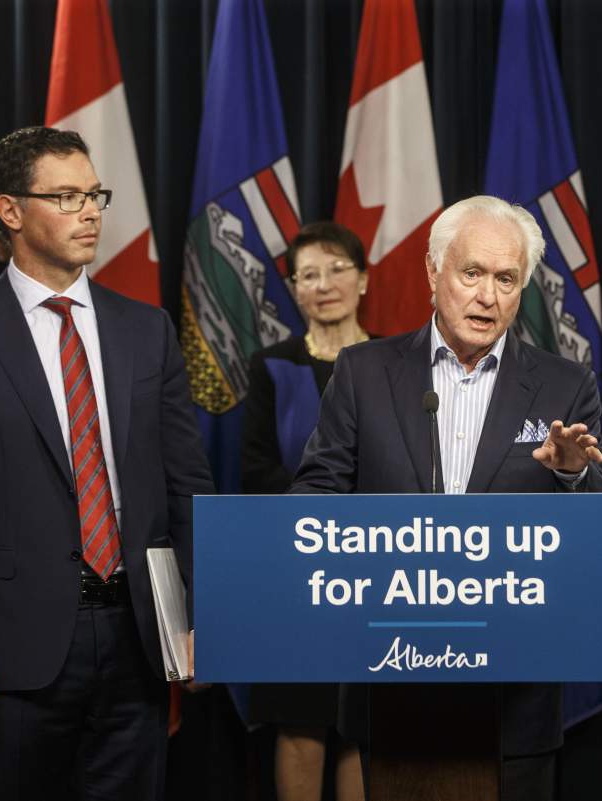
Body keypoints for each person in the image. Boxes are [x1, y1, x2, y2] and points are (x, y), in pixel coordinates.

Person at [0, 126, 214, 800]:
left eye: (94, 193)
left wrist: (197, 612)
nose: (91, 210)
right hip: (9, 650)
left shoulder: (145, 329)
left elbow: (187, 485)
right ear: (10, 211)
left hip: (139, 640)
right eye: (66, 196)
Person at [289, 195, 602, 801]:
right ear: (433, 273)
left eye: (506, 279)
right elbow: (317, 497)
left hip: (514, 697)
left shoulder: (565, 385)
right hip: (391, 677)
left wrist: (574, 476)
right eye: (472, 274)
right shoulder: (364, 372)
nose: (487, 296)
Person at [240, 221, 370, 801]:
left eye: (336, 269)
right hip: (297, 570)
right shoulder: (271, 366)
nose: (324, 284)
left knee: (360, 726)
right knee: (299, 718)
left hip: (376, 571)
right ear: (293, 290)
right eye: (308, 275)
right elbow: (258, 471)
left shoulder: (396, 364)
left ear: (363, 279)